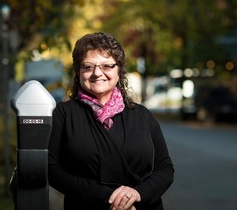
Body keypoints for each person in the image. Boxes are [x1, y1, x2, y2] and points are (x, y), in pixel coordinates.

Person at [48, 32, 174, 210]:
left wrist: (138, 194)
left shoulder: (143, 115)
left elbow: (165, 168)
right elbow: (52, 169)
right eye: (88, 67)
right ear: (78, 72)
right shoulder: (63, 114)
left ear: (119, 70)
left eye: (107, 66)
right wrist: (108, 198)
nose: (97, 73)